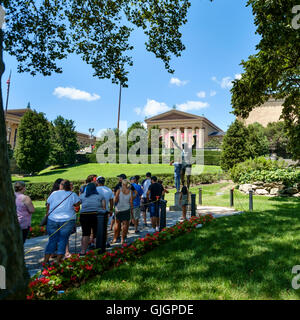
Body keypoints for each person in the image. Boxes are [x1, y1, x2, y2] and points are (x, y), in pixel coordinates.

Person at [44, 180, 81, 264]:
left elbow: (48, 204)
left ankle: (45, 261)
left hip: (52, 219)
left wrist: (48, 214)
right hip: (67, 220)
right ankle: (58, 261)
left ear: (61, 185)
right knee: (63, 239)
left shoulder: (54, 193)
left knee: (52, 240)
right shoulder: (72, 194)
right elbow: (77, 205)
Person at [79, 183, 106, 255]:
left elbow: (77, 204)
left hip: (84, 215)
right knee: (97, 233)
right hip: (96, 215)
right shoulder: (100, 196)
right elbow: (104, 208)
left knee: (85, 234)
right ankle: (98, 250)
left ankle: (83, 251)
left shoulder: (82, 196)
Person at [113, 179, 134, 245]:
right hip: (126, 209)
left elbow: (116, 200)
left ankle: (115, 238)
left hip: (119, 209)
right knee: (125, 224)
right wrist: (132, 210)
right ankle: (122, 239)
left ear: (122, 184)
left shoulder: (119, 190)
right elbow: (131, 202)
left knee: (117, 224)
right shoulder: (130, 191)